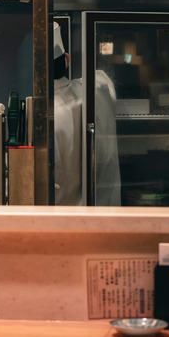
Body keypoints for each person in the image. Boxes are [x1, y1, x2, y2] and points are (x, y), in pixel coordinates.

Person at [53, 22, 121, 206]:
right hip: (110, 215)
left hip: (67, 224)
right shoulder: (101, 86)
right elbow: (101, 73)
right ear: (66, 60)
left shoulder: (43, 116)